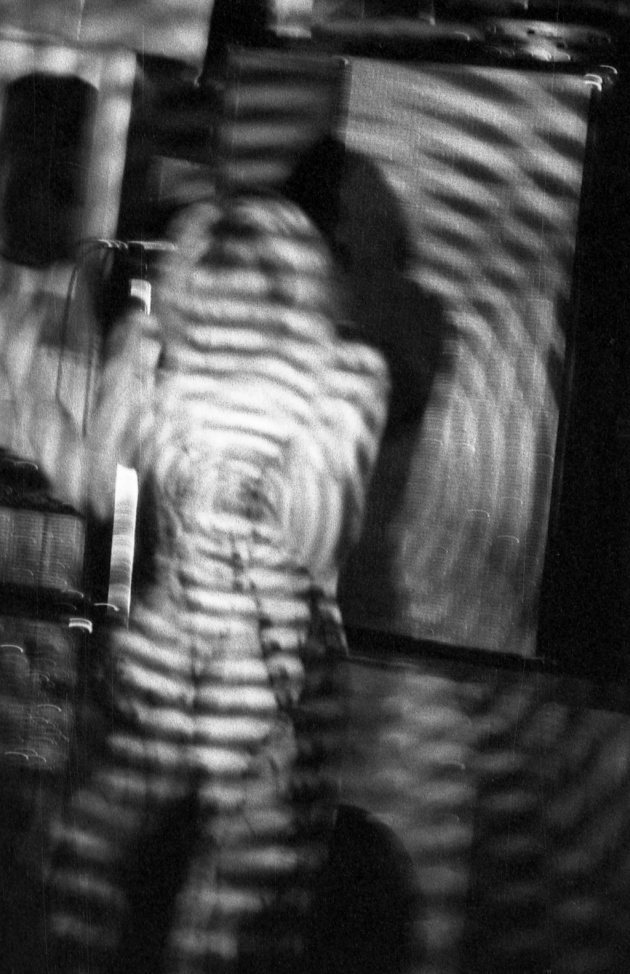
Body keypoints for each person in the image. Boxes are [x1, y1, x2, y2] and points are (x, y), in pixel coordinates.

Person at [45, 191, 389, 974]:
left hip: (278, 676)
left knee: (220, 922)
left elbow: (321, 530)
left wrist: (267, 452)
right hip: (175, 656)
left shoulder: (339, 384)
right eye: (207, 307)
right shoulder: (171, 372)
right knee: (84, 860)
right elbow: (96, 483)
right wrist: (104, 376)